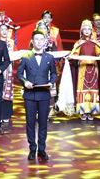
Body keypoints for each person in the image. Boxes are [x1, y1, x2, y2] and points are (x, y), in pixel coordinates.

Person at [16, 30, 57, 161]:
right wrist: (25, 82)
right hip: (30, 95)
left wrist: (51, 82)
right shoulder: (26, 56)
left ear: (45, 42)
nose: (39, 42)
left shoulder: (49, 57)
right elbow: (19, 74)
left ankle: (42, 149)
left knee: (43, 123)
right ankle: (32, 148)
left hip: (44, 94)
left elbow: (54, 73)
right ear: (32, 41)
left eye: (41, 39)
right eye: (36, 39)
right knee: (30, 123)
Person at [69, 20, 100, 120]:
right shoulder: (79, 43)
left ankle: (91, 112)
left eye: (89, 29)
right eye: (85, 29)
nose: (87, 31)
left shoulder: (95, 43)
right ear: (81, 30)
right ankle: (83, 112)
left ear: (92, 30)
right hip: (82, 69)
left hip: (93, 69)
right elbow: (75, 54)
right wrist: (73, 56)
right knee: (82, 89)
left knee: (93, 89)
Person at [0, 15, 16, 124]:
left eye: (6, 29)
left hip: (8, 69)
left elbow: (15, 54)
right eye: (2, 29)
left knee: (7, 91)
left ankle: (6, 114)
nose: (4, 31)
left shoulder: (11, 42)